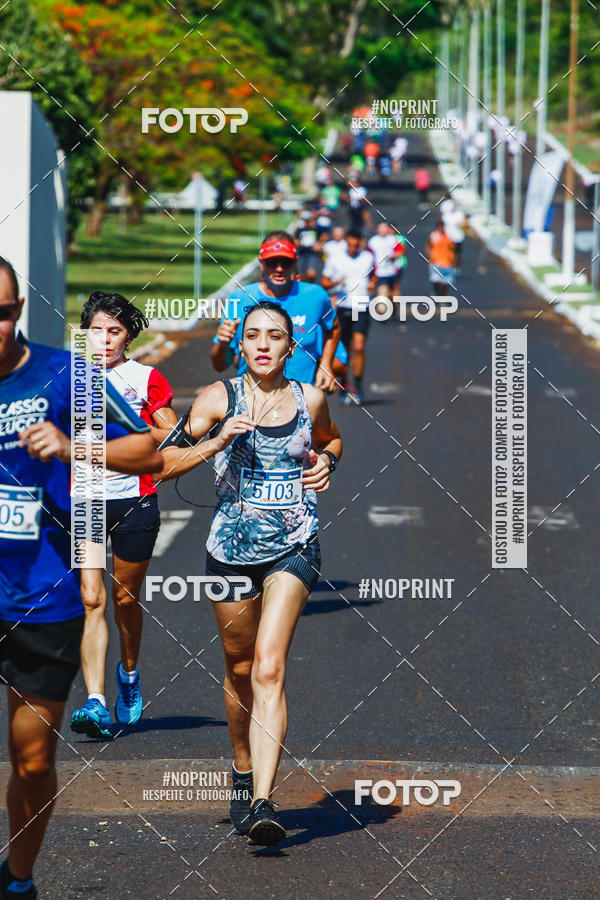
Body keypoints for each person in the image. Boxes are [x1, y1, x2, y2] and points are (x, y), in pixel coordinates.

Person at [0, 258, 162, 899]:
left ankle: (17, 880)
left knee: (33, 759)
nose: (0, 327)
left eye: (7, 312)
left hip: (40, 596)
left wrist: (74, 447)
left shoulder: (65, 375)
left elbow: (146, 449)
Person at [158, 301, 342, 845]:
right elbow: (165, 465)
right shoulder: (218, 399)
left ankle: (263, 799)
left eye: (275, 337)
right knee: (238, 666)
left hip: (294, 545)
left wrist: (328, 462)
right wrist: (216, 440)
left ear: (292, 346)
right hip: (229, 551)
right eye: (253, 335)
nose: (263, 344)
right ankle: (242, 768)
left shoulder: (311, 398)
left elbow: (332, 439)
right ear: (241, 344)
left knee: (267, 665)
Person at [69, 292, 178, 740]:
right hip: (86, 501)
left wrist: (132, 426)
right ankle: (95, 701)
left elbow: (172, 432)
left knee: (124, 600)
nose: (105, 339)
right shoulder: (69, 376)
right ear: (85, 333)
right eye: (97, 329)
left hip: (134, 499)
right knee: (92, 599)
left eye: (115, 330)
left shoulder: (145, 377)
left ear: (128, 335)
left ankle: (128, 675)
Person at [210, 231, 339, 392]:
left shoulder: (315, 296)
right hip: (251, 402)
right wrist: (222, 344)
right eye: (272, 262)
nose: (279, 268)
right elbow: (219, 365)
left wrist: (326, 364)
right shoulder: (240, 297)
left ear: (294, 262)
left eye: (285, 262)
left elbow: (333, 326)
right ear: (261, 263)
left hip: (303, 400)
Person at [321, 230, 376, 405]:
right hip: (343, 307)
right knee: (343, 350)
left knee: (359, 346)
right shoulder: (335, 259)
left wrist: (373, 283)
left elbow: (374, 274)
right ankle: (344, 384)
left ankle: (357, 385)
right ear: (346, 243)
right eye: (349, 245)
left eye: (356, 245)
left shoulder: (368, 257)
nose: (352, 248)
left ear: (360, 243)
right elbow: (324, 281)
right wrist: (337, 283)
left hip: (361, 305)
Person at [368, 223, 404, 299]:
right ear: (377, 230)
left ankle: (393, 308)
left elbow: (400, 251)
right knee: (382, 294)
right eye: (381, 229)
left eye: (385, 229)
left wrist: (392, 256)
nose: (383, 231)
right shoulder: (373, 241)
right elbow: (368, 256)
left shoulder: (393, 239)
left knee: (393, 294)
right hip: (379, 273)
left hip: (392, 272)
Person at [425, 219, 458, 296]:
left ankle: (442, 296)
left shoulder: (450, 236)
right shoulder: (433, 236)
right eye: (441, 226)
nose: (442, 228)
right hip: (435, 261)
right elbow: (427, 246)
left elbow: (454, 249)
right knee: (435, 279)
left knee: (445, 282)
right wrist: (430, 255)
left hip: (447, 262)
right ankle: (436, 292)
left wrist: (454, 259)